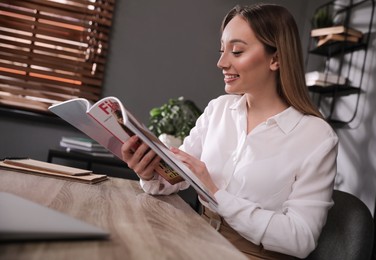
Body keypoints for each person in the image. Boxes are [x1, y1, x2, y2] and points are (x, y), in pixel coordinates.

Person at [121, 3, 338, 260]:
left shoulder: (316, 137)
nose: (222, 62)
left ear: (276, 58)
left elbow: (300, 239)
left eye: (237, 51)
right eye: (223, 50)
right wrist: (151, 173)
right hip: (195, 239)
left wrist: (215, 194)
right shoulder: (219, 110)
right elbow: (176, 176)